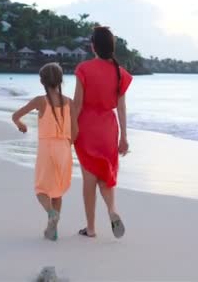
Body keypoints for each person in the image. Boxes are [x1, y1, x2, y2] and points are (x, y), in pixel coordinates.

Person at [72, 26, 133, 238]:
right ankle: (113, 210)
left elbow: (77, 104)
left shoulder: (84, 69)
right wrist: (124, 137)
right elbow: (122, 108)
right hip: (109, 128)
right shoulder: (120, 73)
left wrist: (72, 129)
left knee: (89, 177)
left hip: (87, 127)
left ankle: (90, 228)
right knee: (105, 175)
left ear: (93, 46)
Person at [11, 63, 73, 241]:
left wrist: (21, 125)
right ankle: (52, 230)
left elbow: (15, 116)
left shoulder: (40, 101)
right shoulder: (70, 102)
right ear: (61, 80)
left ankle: (50, 214)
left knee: (41, 189)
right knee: (58, 191)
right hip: (64, 148)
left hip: (47, 149)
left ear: (42, 81)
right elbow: (76, 130)